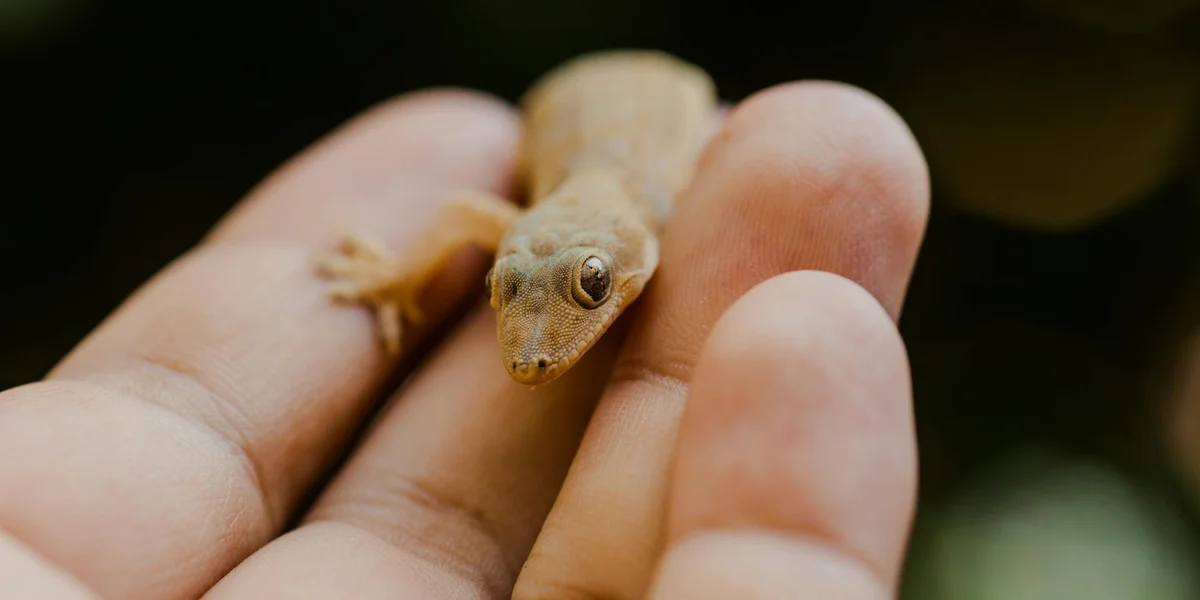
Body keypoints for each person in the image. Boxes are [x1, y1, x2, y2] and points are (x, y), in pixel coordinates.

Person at [0, 80, 929, 599]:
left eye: (588, 290)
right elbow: (461, 213)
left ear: (632, 258)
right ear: (507, 249)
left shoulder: (666, 202)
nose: (530, 347)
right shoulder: (528, 225)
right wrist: (405, 278)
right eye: (508, 289)